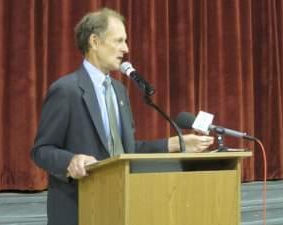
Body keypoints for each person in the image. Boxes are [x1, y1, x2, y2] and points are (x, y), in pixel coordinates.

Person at [31, 8, 214, 225]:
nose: (125, 49)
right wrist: (70, 161)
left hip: (119, 205)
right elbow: (41, 150)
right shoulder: (66, 90)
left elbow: (125, 151)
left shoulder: (119, 91)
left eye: (125, 41)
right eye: (119, 41)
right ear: (95, 42)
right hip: (78, 209)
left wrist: (175, 144)